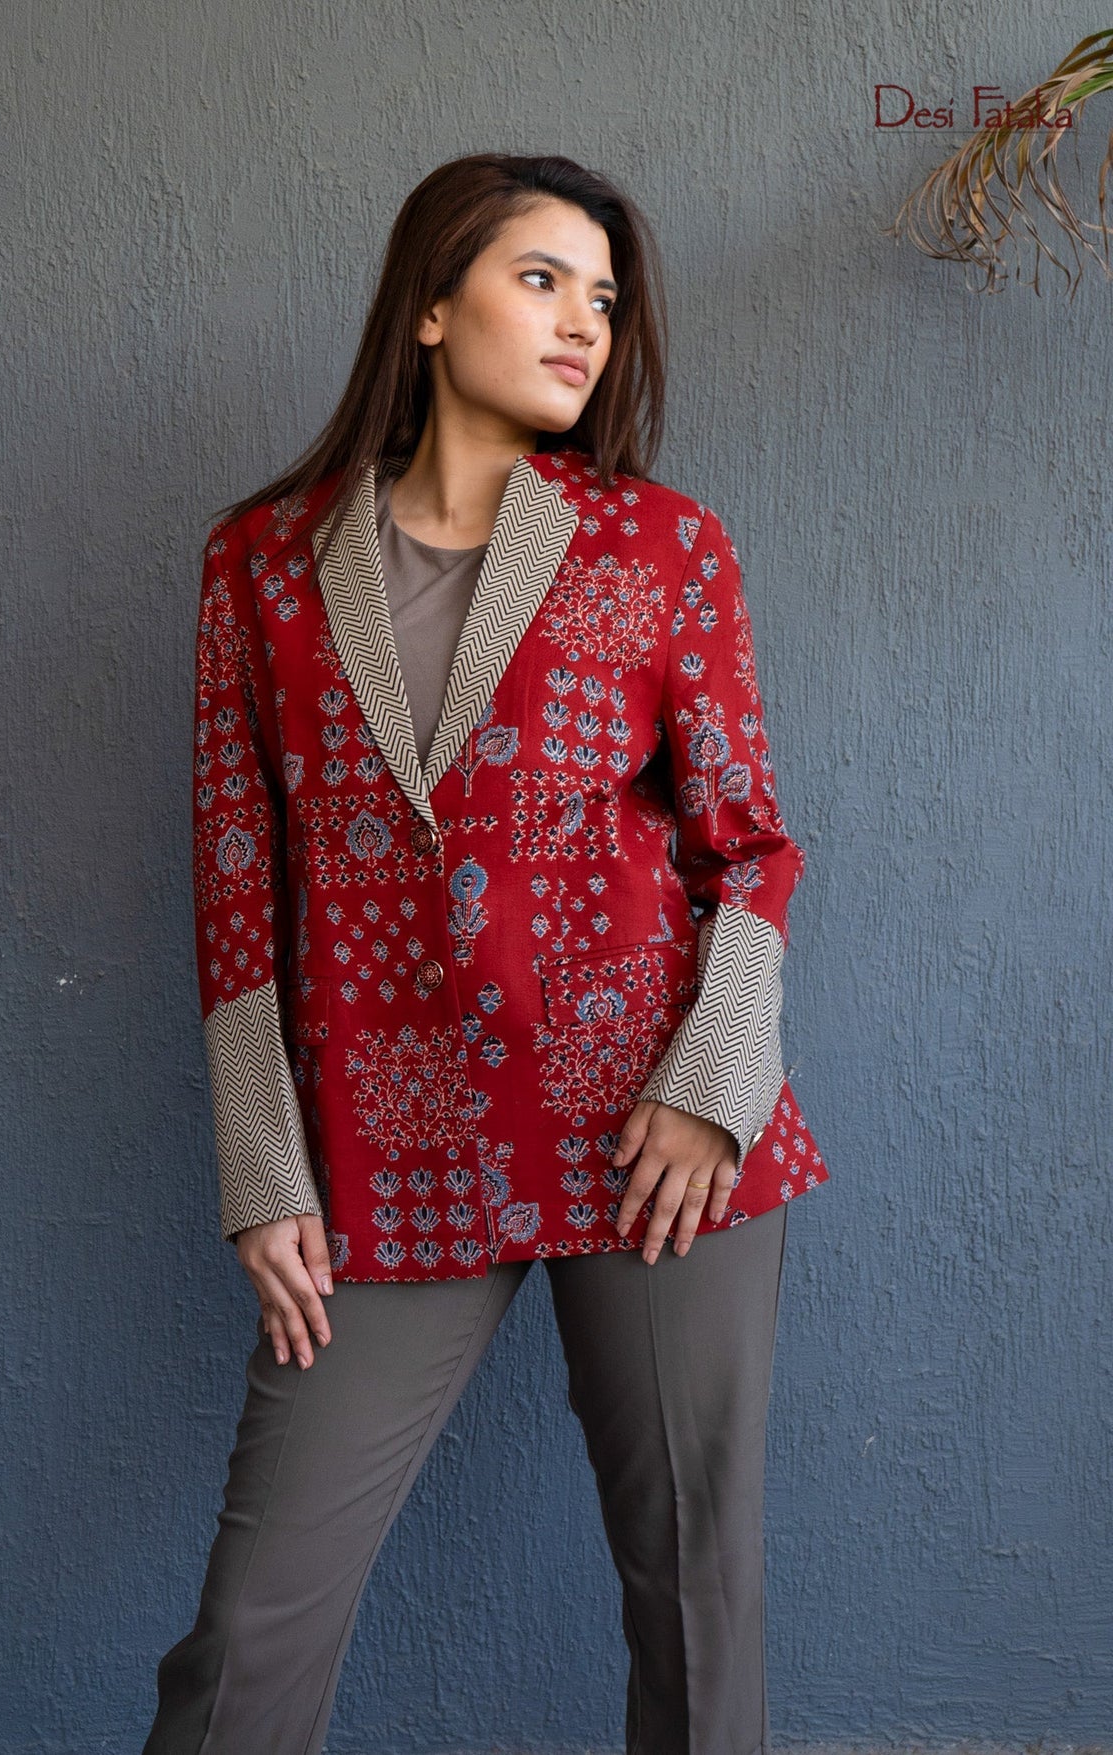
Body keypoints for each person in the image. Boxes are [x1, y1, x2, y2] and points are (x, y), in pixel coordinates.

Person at [143, 150, 829, 1755]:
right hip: (389, 1144)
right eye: (541, 279)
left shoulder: (661, 545)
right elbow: (238, 883)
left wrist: (711, 1090)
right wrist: (264, 1169)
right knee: (247, 1641)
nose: (585, 321)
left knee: (695, 1608)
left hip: (651, 1135)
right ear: (434, 305)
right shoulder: (260, 562)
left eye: (606, 297)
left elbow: (749, 849)